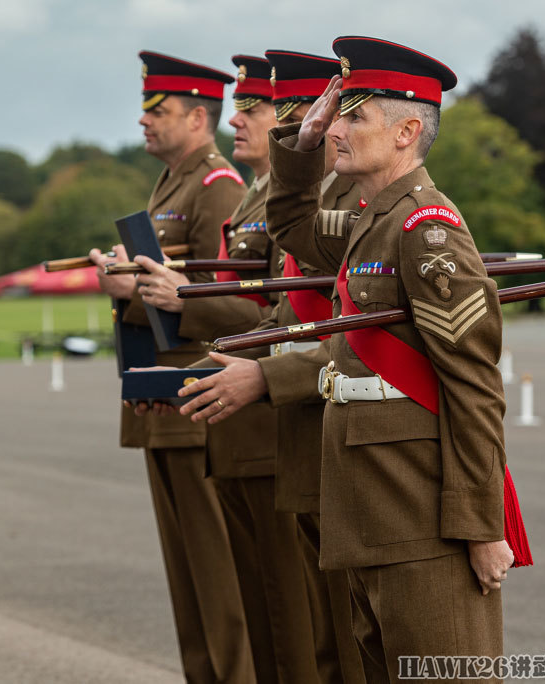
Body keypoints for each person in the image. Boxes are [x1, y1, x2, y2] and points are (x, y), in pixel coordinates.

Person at [260, 36, 512, 680]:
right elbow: (290, 230)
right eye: (338, 113)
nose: (337, 127)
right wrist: (304, 142)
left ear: (406, 132)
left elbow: (473, 387)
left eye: (354, 116)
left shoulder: (425, 229)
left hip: (421, 516)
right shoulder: (373, 221)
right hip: (370, 510)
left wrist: (482, 528)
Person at [177, 50, 366, 684]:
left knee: (330, 629)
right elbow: (285, 308)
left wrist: (257, 366)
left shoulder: (358, 205)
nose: (293, 132)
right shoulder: (302, 199)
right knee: (299, 627)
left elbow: (359, 333)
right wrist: (236, 351)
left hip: (325, 427)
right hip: (283, 415)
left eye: (292, 114)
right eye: (278, 114)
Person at [90, 51, 255, 684]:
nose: (144, 123)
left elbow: (235, 305)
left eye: (159, 112)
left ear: (197, 118)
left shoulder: (218, 188)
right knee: (189, 584)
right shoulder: (171, 184)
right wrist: (125, 282)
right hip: (162, 402)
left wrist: (140, 291)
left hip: (196, 400)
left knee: (220, 583)